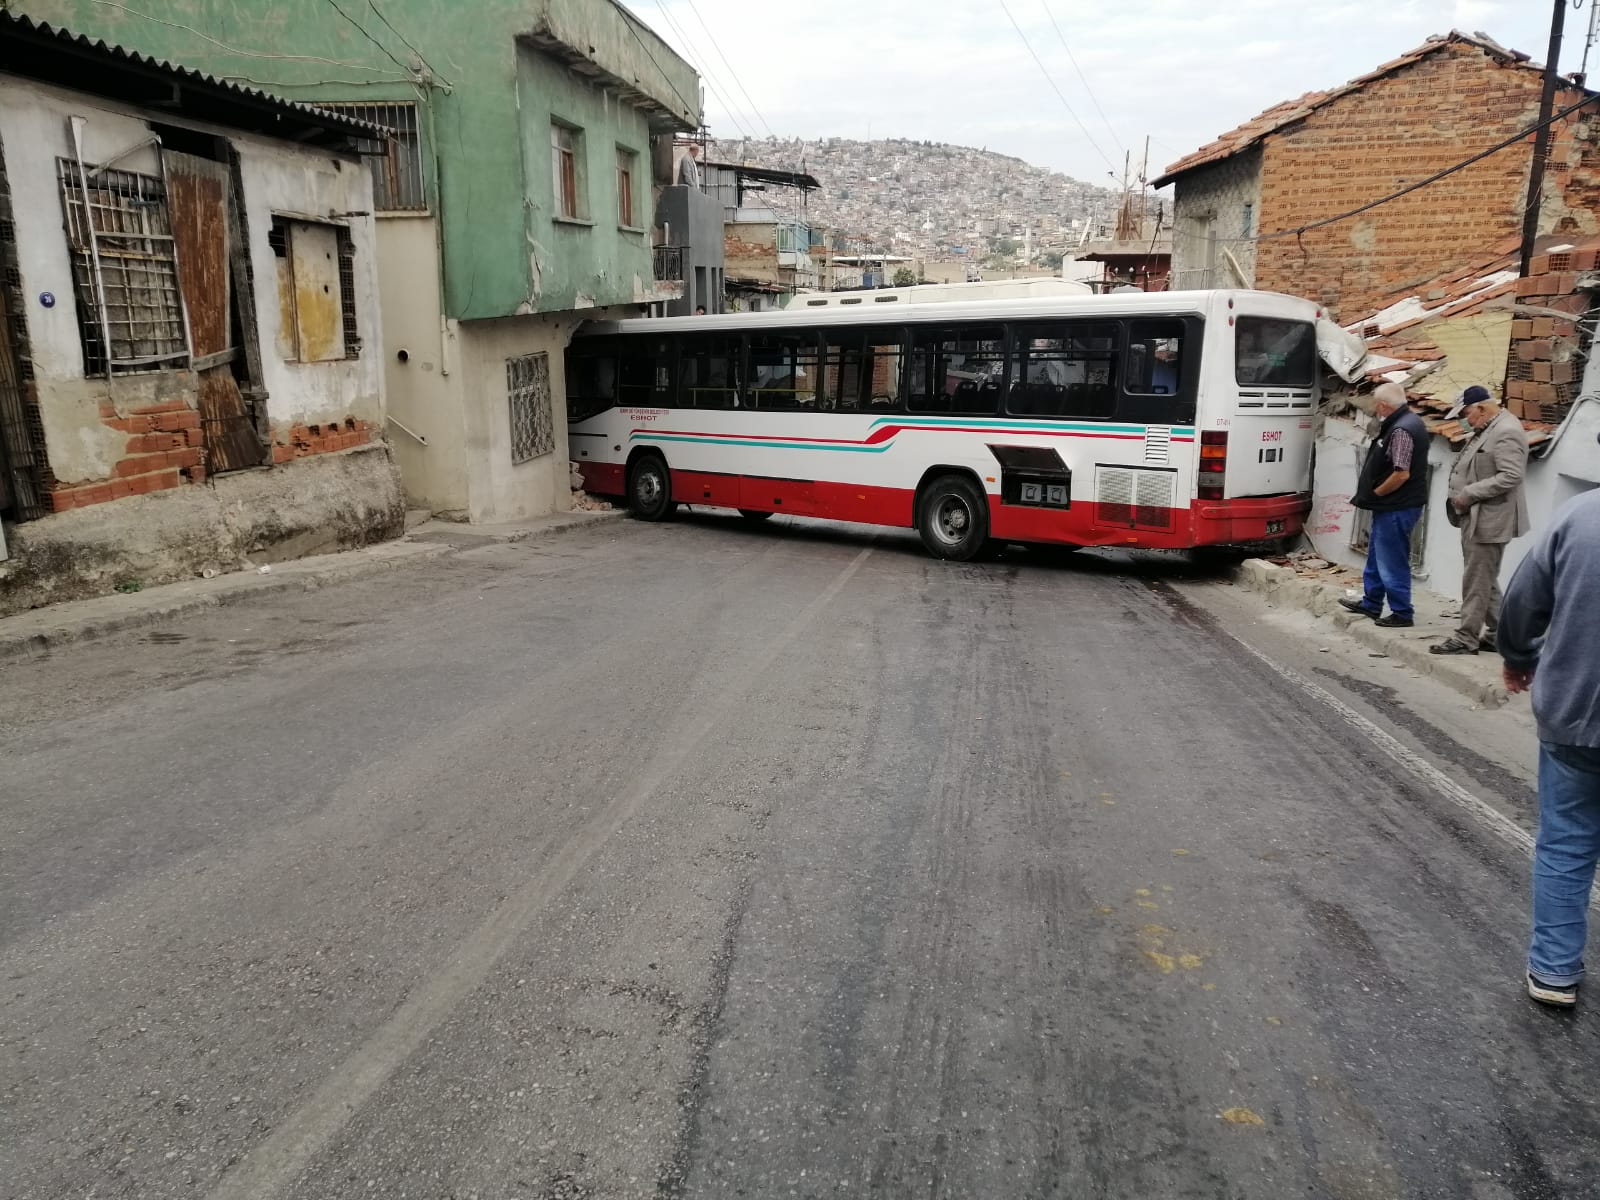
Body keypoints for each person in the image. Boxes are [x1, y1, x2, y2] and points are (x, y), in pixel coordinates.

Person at [1499, 489, 1600, 1007]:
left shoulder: (1579, 515)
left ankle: (1554, 973)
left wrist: (1518, 657)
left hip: (1576, 714)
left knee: (1566, 842)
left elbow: (1521, 600)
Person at [1430, 385, 1530, 655]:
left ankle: (1466, 638)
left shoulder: (1506, 430)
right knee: (1484, 579)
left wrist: (1469, 493)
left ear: (1482, 408)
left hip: (1489, 519)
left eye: (1466, 413)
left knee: (1476, 580)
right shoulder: (1488, 427)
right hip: (1475, 517)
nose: (1464, 420)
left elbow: (1511, 476)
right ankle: (1502, 634)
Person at [1339, 382, 1429, 627]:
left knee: (1392, 559)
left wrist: (1377, 493)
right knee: (1378, 555)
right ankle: (1372, 603)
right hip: (1392, 506)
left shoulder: (1401, 430)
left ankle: (1402, 612)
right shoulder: (1406, 422)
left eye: (1377, 404)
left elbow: (1401, 473)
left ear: (1383, 405)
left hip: (1397, 506)